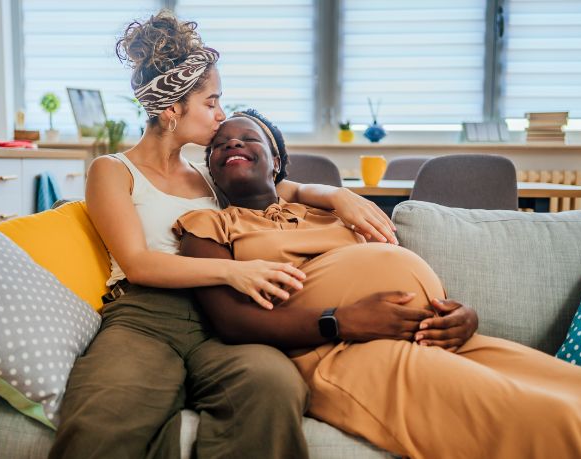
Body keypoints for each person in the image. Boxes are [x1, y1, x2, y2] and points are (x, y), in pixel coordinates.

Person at [172, 110, 581, 459]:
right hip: (336, 351)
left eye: (247, 138)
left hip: (434, 337)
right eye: (218, 146)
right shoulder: (210, 225)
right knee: (548, 416)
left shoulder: (333, 210)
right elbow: (230, 321)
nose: (231, 144)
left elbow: (393, 267)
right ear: (210, 169)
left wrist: (462, 314)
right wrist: (339, 321)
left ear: (277, 162)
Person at [50, 11, 413, 459]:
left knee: (273, 386)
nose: (222, 115)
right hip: (147, 319)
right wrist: (232, 272)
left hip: (221, 320)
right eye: (211, 102)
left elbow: (290, 187)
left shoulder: (209, 169)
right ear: (171, 109)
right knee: (104, 414)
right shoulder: (112, 170)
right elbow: (139, 262)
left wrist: (340, 196)